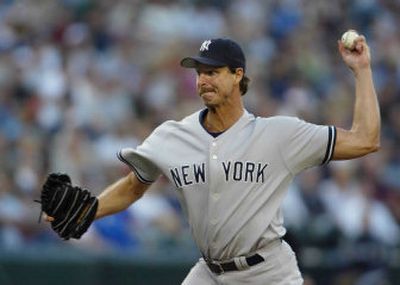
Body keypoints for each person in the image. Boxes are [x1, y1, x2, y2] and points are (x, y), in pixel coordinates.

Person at [48, 35, 380, 284]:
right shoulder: (172, 136)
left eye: (213, 71)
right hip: (209, 272)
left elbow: (365, 140)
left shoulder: (279, 134)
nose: (203, 79)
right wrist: (91, 209)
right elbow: (135, 185)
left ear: (238, 75)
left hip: (268, 272)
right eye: (199, 72)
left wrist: (362, 71)